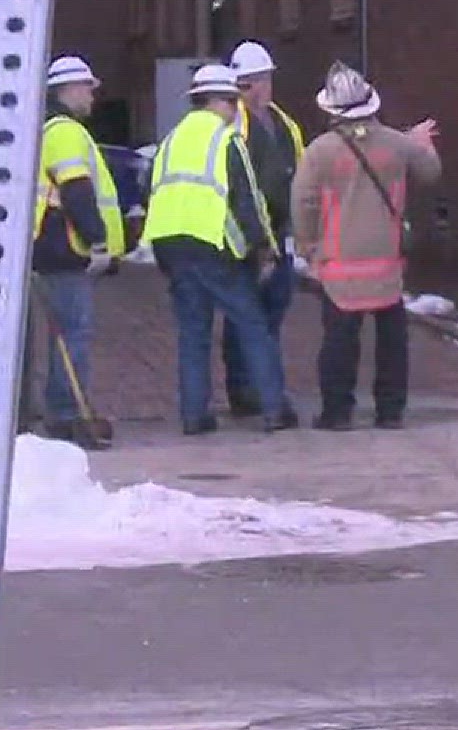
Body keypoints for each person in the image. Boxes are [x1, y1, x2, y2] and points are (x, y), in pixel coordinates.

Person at [141, 63, 298, 435]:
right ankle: (275, 409)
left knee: (192, 333)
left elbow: (153, 190)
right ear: (225, 101)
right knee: (252, 325)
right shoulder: (227, 140)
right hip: (214, 247)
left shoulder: (169, 141)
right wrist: (264, 249)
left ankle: (194, 415)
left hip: (171, 247)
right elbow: (248, 202)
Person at [291, 62, 441, 430]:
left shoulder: (319, 152)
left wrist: (308, 247)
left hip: (339, 263)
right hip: (385, 260)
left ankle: (337, 412)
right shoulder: (396, 144)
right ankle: (390, 410)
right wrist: (421, 142)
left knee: (339, 342)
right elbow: (429, 172)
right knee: (392, 341)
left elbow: (303, 202)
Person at [28, 55, 127, 448]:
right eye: (87, 87)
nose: (92, 94)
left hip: (53, 246)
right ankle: (67, 415)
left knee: (66, 333)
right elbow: (77, 190)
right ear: (68, 90)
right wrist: (97, 241)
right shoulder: (66, 132)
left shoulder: (52, 129)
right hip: (64, 247)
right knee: (73, 334)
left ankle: (63, 411)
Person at [221, 39, 307, 418]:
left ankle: (259, 383)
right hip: (248, 237)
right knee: (246, 317)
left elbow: (299, 173)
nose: (261, 88)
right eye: (254, 81)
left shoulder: (283, 123)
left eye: (263, 80)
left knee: (271, 313)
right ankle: (245, 388)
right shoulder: (234, 123)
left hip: (279, 232)